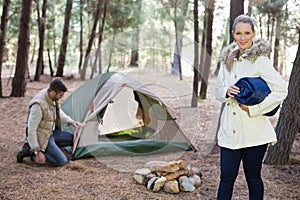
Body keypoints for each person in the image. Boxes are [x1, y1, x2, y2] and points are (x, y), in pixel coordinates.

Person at [215, 15, 287, 200]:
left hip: (254, 131)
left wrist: (255, 109)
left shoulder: (260, 61)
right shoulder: (226, 61)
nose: (243, 37)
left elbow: (281, 89)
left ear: (254, 33)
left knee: (253, 179)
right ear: (233, 34)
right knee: (226, 179)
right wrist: (225, 90)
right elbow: (216, 92)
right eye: (238, 33)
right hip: (229, 132)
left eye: (247, 33)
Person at [16, 77, 81, 167]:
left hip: (51, 133)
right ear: (53, 93)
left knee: (75, 139)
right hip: (42, 138)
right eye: (60, 95)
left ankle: (50, 148)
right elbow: (31, 130)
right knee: (62, 162)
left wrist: (71, 121)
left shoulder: (53, 98)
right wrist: (37, 152)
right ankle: (31, 151)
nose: (61, 98)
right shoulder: (38, 106)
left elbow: (59, 112)